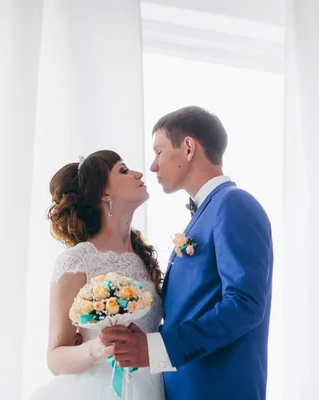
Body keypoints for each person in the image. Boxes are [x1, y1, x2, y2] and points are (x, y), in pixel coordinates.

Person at [100, 106, 274, 399]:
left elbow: (244, 304)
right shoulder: (207, 213)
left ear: (189, 147)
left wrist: (157, 348)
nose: (153, 166)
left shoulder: (234, 204)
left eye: (159, 151)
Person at [30, 150, 165, 400]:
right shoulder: (78, 260)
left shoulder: (143, 257)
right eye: (123, 170)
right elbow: (55, 358)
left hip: (152, 388)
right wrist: (97, 348)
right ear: (105, 194)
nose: (139, 173)